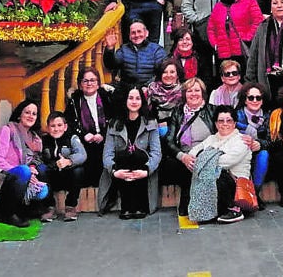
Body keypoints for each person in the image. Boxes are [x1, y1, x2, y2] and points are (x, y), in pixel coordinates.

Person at [100, 86, 162, 219]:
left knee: (138, 155)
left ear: (142, 101)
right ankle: (126, 207)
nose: (134, 101)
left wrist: (146, 170)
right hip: (120, 168)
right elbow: (107, 154)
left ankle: (140, 206)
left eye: (138, 98)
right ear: (125, 100)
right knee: (125, 156)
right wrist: (114, 172)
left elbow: (156, 153)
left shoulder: (151, 122)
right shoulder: (114, 123)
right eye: (131, 98)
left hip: (143, 167)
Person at [186, 106, 252, 223]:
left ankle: (234, 210)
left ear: (234, 123)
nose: (225, 124)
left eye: (229, 120)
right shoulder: (211, 139)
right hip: (213, 181)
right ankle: (208, 211)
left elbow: (227, 161)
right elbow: (193, 152)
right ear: (216, 124)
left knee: (217, 172)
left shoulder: (242, 140)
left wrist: (203, 160)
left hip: (235, 183)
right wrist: (195, 159)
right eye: (221, 121)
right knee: (203, 172)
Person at [161, 78, 215, 216]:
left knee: (199, 164)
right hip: (184, 156)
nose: (193, 94)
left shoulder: (212, 111)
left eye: (197, 90)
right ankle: (190, 202)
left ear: (203, 93)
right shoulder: (178, 112)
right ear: (184, 94)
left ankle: (189, 203)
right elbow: (169, 140)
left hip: (206, 154)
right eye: (189, 91)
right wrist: (183, 156)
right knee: (180, 165)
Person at [0, 100, 50, 225]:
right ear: (19, 115)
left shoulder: (35, 138)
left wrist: (32, 170)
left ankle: (29, 209)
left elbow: (35, 159)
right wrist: (22, 170)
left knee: (42, 179)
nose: (31, 116)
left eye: (34, 114)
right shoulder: (7, 130)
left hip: (24, 174)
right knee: (23, 171)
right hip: (4, 175)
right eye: (27, 112)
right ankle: (8, 213)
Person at [66, 68, 112, 216]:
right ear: (80, 84)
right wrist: (84, 135)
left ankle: (108, 198)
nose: (89, 83)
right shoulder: (75, 101)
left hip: (106, 138)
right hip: (85, 141)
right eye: (85, 81)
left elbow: (114, 118)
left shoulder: (106, 97)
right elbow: (70, 124)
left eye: (92, 80)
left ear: (98, 83)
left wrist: (103, 135)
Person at [207, 0, 264, 76]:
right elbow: (211, 28)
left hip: (242, 51)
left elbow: (258, 21)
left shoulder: (249, 0)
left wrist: (248, 37)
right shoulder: (218, 6)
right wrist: (215, 44)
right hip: (223, 53)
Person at [40, 112, 87, 221]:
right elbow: (37, 157)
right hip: (52, 177)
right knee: (41, 170)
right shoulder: (43, 140)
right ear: (48, 128)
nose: (56, 129)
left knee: (79, 170)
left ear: (65, 127)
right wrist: (52, 164)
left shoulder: (72, 138)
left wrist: (69, 161)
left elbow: (82, 154)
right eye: (52, 126)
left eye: (59, 125)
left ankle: (70, 206)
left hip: (68, 177)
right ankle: (49, 207)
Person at [234, 83, 271, 207]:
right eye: (251, 98)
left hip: (258, 152)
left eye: (258, 98)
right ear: (245, 100)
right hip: (240, 151)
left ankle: (254, 192)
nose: (255, 101)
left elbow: (271, 140)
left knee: (264, 155)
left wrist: (259, 144)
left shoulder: (268, 116)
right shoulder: (236, 115)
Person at [111, 20, 166, 88]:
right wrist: (110, 49)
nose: (136, 35)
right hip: (127, 89)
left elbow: (162, 71)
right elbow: (111, 65)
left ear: (146, 33)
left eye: (139, 31)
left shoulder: (157, 50)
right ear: (129, 36)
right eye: (133, 33)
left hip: (150, 89)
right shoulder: (124, 49)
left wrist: (147, 87)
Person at [145, 59, 185, 134]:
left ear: (177, 75)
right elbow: (147, 115)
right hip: (154, 130)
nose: (168, 75)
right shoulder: (151, 89)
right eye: (165, 72)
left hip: (177, 131)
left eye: (172, 72)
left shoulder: (184, 92)